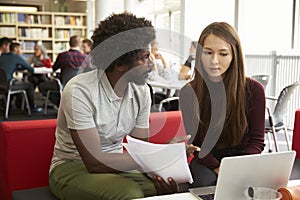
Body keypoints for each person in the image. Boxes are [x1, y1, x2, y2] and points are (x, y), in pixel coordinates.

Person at [49, 12, 198, 200]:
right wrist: (159, 156)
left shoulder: (141, 91)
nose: (151, 63)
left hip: (117, 165)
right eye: (144, 57)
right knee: (130, 193)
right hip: (71, 166)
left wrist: (164, 154)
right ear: (119, 63)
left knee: (173, 185)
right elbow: (94, 163)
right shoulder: (80, 91)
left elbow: (140, 148)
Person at [179, 22, 266, 188]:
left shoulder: (254, 90)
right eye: (208, 52)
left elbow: (256, 141)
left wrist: (237, 170)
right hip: (208, 159)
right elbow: (198, 144)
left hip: (244, 158)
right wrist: (220, 169)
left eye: (223, 54)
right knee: (206, 183)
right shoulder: (188, 92)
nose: (214, 61)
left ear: (234, 56)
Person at [38, 35, 91, 106]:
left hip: (63, 84)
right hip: (80, 85)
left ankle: (59, 103)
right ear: (79, 44)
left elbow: (54, 68)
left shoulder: (62, 56)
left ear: (69, 43)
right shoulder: (85, 58)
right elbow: (90, 70)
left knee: (41, 86)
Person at [0, 38, 42, 112]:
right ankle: (31, 108)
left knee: (14, 82)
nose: (21, 50)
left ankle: (8, 105)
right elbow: (30, 69)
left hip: (1, 84)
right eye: (20, 48)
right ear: (16, 49)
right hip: (8, 84)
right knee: (29, 85)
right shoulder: (16, 57)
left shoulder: (2, 56)